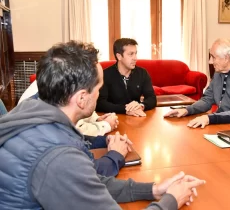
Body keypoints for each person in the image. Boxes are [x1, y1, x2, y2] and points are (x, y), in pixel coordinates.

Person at [0, 41, 205, 209]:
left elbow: (90, 183)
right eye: (98, 88)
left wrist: (154, 189)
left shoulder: (32, 113)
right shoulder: (57, 156)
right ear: (81, 98)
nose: (99, 94)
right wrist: (171, 200)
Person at [164, 38, 230, 131]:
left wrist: (209, 118)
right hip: (225, 126)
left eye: (213, 57)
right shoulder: (219, 73)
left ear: (226, 58)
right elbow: (207, 99)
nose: (210, 61)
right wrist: (187, 110)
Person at [19, 80, 118, 136]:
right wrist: (106, 125)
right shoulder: (60, 87)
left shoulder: (60, 78)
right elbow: (77, 130)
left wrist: (97, 119)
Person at [96, 38, 156, 117]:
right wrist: (125, 109)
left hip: (137, 117)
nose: (135, 58)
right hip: (114, 118)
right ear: (119, 56)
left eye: (135, 53)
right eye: (131, 54)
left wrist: (141, 106)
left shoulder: (142, 73)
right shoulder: (105, 75)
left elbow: (152, 98)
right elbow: (100, 103)